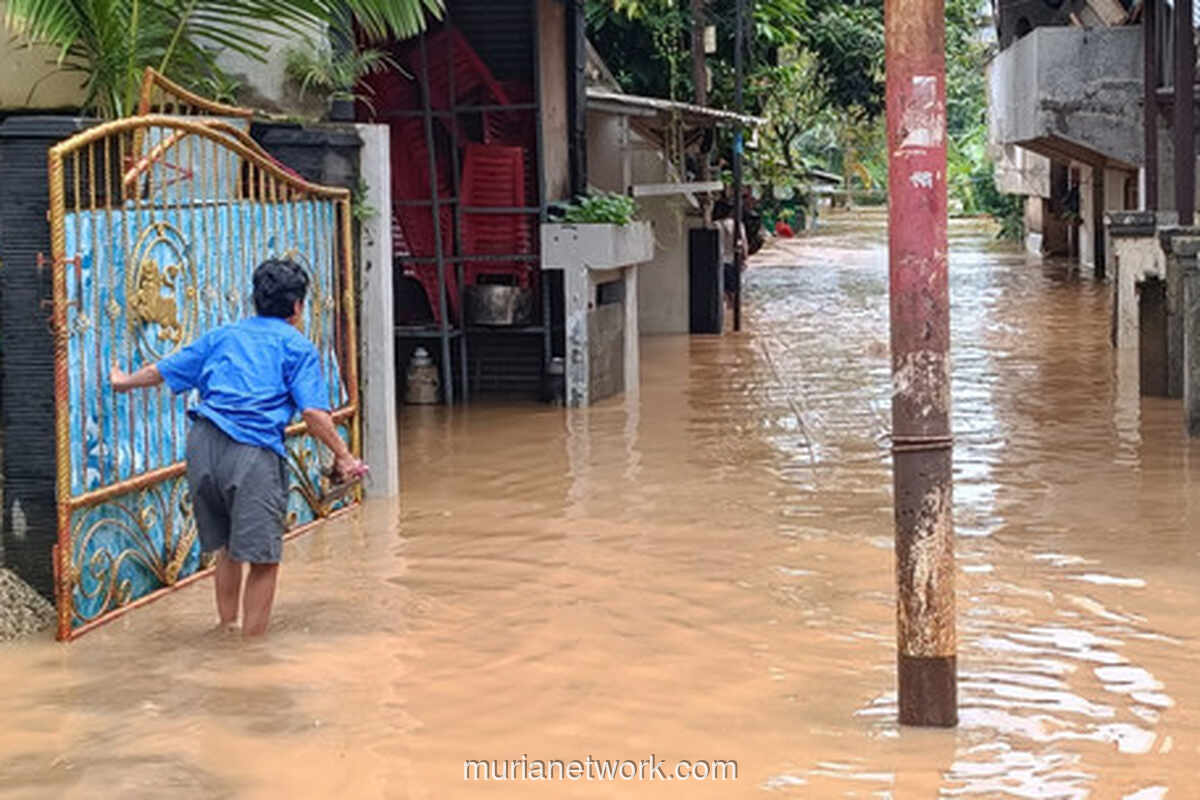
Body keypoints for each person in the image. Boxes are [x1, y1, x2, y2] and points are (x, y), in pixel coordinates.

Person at [111, 258, 368, 636]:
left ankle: (226, 627)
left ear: (255, 299)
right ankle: (249, 651)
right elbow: (313, 414)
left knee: (227, 548)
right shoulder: (297, 347)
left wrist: (121, 381)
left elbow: (162, 370)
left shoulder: (223, 335)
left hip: (202, 446)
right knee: (263, 559)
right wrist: (344, 456)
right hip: (252, 452)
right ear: (297, 306)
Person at [713, 200, 748, 310]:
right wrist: (744, 259)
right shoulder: (738, 225)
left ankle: (726, 319)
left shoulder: (715, 225)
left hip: (718, 262)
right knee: (734, 295)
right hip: (733, 262)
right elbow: (744, 245)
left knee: (723, 294)